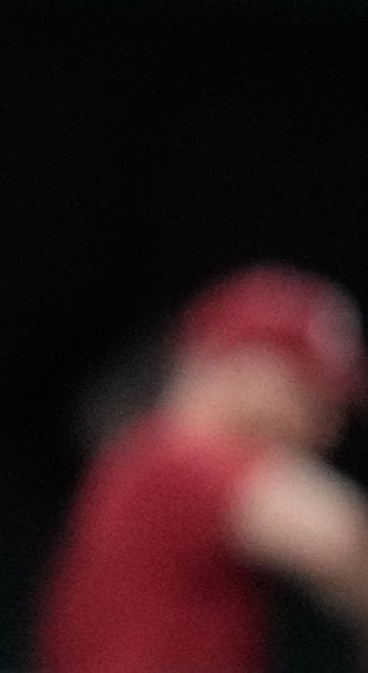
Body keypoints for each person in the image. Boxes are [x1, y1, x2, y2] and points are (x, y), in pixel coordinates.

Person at [38, 265, 368, 673]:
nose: (326, 429)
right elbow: (346, 539)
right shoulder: (176, 459)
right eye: (311, 396)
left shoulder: (139, 457)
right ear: (247, 370)